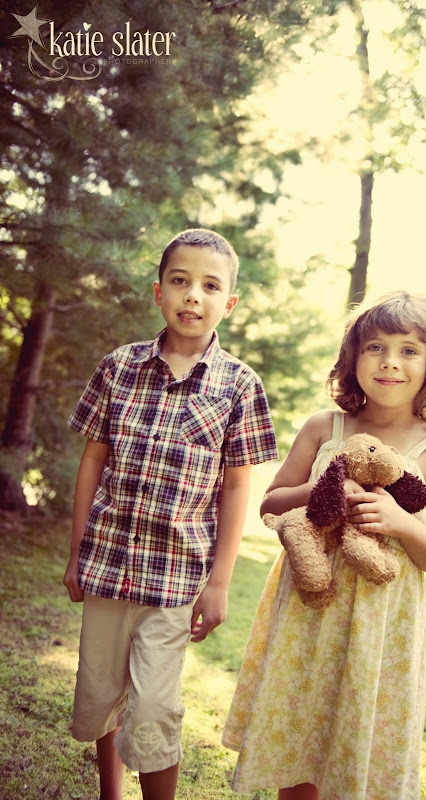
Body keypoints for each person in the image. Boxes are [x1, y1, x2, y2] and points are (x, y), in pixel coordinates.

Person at [222, 291, 426, 800]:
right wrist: (322, 489)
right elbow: (270, 505)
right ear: (353, 357)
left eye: (408, 350)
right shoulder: (324, 427)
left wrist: (403, 525)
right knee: (299, 743)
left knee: (350, 754)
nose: (390, 362)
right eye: (375, 347)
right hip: (308, 616)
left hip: (381, 630)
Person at [63, 228, 278, 800]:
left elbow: (237, 488)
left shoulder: (239, 385)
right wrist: (76, 553)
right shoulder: (119, 367)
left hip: (177, 577)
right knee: (101, 693)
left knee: (155, 707)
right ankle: (110, 793)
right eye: (180, 281)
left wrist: (220, 582)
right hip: (107, 565)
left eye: (210, 286)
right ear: (158, 291)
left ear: (229, 303)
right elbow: (92, 460)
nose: (193, 296)